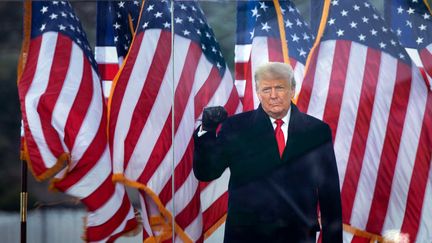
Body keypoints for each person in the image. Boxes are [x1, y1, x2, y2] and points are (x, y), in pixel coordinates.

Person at [193, 62, 342, 243]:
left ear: (292, 90)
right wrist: (207, 131)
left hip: (298, 236)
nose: (273, 96)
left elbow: (330, 194)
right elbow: (207, 172)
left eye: (279, 88)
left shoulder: (317, 131)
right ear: (257, 92)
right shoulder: (236, 127)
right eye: (266, 89)